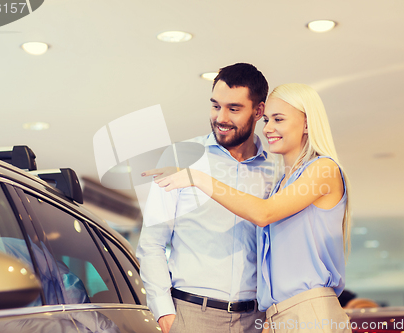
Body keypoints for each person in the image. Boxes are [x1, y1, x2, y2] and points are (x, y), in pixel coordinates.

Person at [151, 83, 353, 333]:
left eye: (278, 119)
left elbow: (263, 213)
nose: (268, 128)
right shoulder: (282, 182)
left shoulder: (323, 169)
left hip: (309, 313)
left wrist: (198, 178)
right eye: (267, 119)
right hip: (280, 315)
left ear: (307, 124)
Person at [136, 63, 274, 333]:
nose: (221, 117)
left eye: (234, 109)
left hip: (256, 319)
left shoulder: (274, 170)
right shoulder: (180, 158)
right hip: (191, 315)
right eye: (215, 106)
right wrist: (164, 312)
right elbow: (151, 243)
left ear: (258, 111)